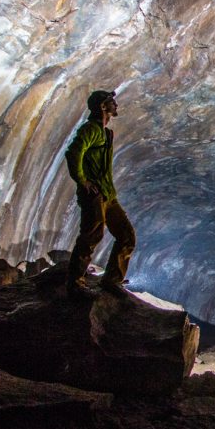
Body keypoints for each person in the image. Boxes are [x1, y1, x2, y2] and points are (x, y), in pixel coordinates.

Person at [64, 90, 135, 299]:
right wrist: (82, 180)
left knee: (126, 236)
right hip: (94, 195)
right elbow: (73, 153)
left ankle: (112, 281)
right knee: (92, 235)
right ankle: (75, 283)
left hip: (107, 195)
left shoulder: (105, 132)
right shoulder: (92, 130)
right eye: (111, 102)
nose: (116, 105)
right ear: (103, 107)